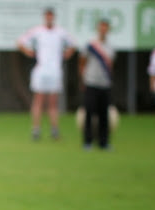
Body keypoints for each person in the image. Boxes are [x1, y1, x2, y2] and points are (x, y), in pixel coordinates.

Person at [17, 7, 76, 141]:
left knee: (53, 102)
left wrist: (68, 53)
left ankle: (54, 129)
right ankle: (36, 129)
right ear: (45, 17)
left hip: (55, 71)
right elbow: (20, 42)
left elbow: (73, 44)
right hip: (41, 70)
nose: (49, 18)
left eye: (51, 16)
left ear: (53, 17)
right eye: (47, 16)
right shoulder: (37, 31)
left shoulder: (61, 32)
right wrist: (28, 52)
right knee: (38, 100)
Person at [79, 18, 115, 150]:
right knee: (89, 112)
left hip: (104, 84)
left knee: (104, 114)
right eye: (101, 27)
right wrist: (83, 78)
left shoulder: (111, 47)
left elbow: (110, 65)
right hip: (91, 82)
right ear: (98, 28)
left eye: (106, 27)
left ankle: (103, 142)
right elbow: (82, 61)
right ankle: (87, 141)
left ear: (108, 29)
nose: (103, 29)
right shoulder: (91, 44)